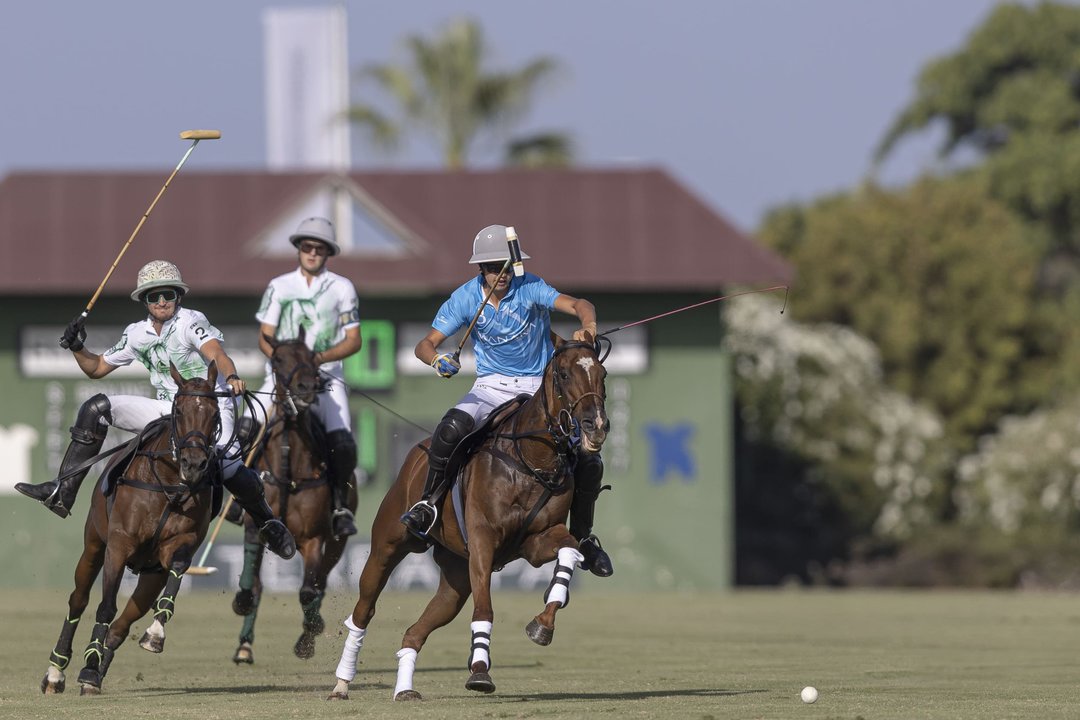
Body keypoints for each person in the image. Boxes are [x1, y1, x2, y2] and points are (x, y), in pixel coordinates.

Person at [15, 260, 296, 560]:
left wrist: (232, 376)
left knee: (228, 465)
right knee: (96, 407)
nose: (162, 301)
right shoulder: (136, 334)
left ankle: (268, 523)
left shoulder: (190, 321)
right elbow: (96, 368)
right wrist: (76, 347)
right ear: (145, 301)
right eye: (154, 296)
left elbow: (216, 353)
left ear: (179, 296)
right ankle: (63, 492)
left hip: (209, 404)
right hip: (168, 407)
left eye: (168, 295)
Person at [399, 224, 614, 577]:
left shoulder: (529, 286)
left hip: (539, 389)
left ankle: (584, 538)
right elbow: (425, 344)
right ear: (479, 269)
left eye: (505, 265)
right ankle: (429, 504)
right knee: (450, 430)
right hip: (491, 386)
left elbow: (579, 304)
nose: (500, 274)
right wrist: (437, 360)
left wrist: (588, 325)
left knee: (589, 459)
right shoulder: (466, 298)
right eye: (491, 266)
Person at [243, 216, 363, 539]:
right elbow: (264, 336)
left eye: (319, 248)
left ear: (328, 253)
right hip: (283, 382)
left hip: (326, 380)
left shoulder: (342, 287)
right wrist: (288, 368)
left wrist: (315, 361)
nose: (312, 253)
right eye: (307, 247)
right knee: (246, 428)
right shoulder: (279, 286)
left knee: (343, 442)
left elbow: (354, 340)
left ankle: (339, 506)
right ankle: (241, 499)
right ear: (298, 249)